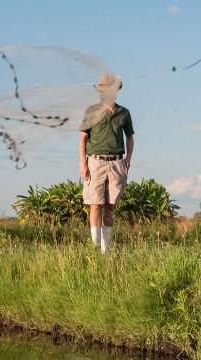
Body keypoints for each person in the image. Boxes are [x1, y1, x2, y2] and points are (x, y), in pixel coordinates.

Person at [78, 74, 134, 253]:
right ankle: (94, 248)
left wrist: (128, 160)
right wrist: (83, 164)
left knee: (110, 206)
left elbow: (130, 137)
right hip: (95, 162)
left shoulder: (124, 113)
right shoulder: (92, 111)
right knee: (95, 204)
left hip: (117, 162)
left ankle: (106, 251)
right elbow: (83, 138)